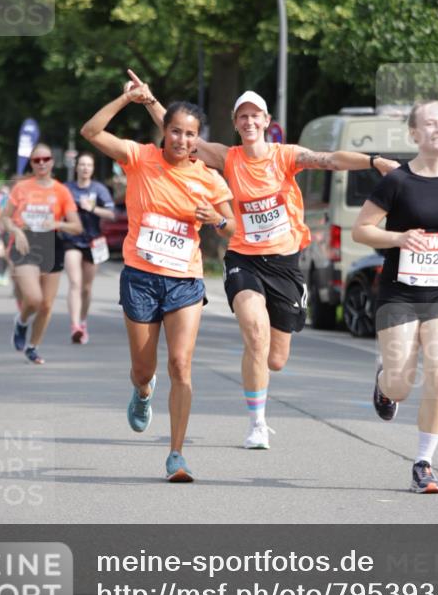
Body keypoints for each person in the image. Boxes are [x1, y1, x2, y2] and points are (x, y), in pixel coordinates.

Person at [129, 69, 399, 450]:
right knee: (254, 332)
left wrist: (374, 161)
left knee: (275, 359)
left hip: (285, 263)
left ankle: (264, 391)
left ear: (267, 122)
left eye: (256, 115)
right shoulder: (228, 157)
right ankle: (257, 424)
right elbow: (176, 128)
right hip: (244, 258)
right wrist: (149, 98)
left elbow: (331, 159)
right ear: (236, 124)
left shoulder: (284, 156)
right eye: (243, 116)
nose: (250, 121)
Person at [80, 83, 235, 482]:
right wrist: (128, 99)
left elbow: (232, 228)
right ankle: (143, 392)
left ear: (198, 139)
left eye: (191, 133)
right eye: (176, 131)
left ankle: (176, 455)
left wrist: (215, 219)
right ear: (164, 130)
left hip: (184, 280)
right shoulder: (139, 157)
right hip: (141, 278)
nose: (183, 139)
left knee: (181, 365)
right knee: (143, 368)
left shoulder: (209, 179)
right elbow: (91, 133)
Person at [352, 100, 438, 494]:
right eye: (430, 123)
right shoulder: (397, 181)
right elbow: (362, 230)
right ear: (414, 133)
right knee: (401, 384)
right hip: (399, 292)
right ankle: (384, 383)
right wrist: (398, 237)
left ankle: (423, 464)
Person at [0, 144, 81, 365]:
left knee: (46, 305)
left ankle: (33, 346)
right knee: (34, 299)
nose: (42, 163)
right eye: (37, 160)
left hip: (51, 244)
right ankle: (22, 321)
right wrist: (16, 230)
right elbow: (5, 218)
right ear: (32, 164)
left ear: (52, 161)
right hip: (25, 244)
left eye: (45, 158)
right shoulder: (21, 188)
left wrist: (56, 222)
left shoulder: (61, 191)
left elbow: (76, 226)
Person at [62, 153, 116, 344]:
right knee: (75, 283)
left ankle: (83, 321)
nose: (85, 168)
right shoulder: (67, 189)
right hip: (72, 240)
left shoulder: (99, 189)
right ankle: (75, 326)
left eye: (89, 165)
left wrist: (92, 208)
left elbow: (111, 214)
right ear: (76, 167)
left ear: (92, 169)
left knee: (86, 287)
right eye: (82, 164)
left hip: (93, 241)